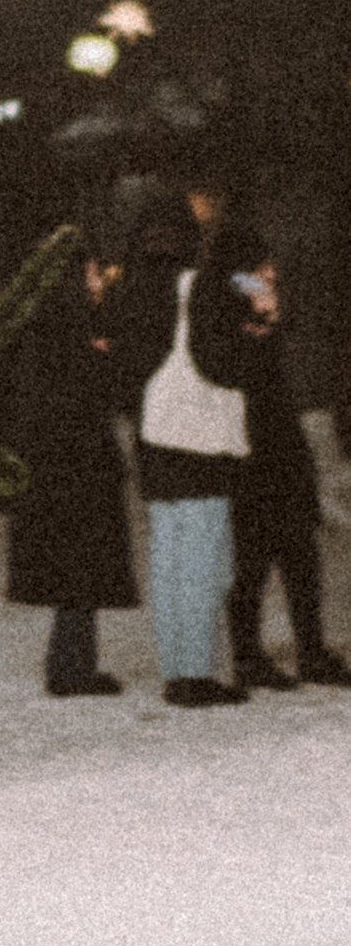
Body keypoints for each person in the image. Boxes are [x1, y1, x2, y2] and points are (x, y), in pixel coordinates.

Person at [106, 186, 257, 706]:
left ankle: (177, 665)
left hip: (153, 437)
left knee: (168, 554)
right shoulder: (200, 283)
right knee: (202, 553)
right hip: (197, 439)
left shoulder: (125, 288)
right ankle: (195, 672)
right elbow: (227, 345)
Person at [0, 247, 137, 694]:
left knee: (76, 574)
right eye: (93, 273)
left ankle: (71, 664)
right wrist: (103, 357)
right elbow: (91, 393)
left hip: (57, 466)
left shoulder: (46, 323)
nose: (99, 283)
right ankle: (72, 668)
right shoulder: (69, 328)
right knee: (81, 571)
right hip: (75, 468)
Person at [212, 224, 351, 688]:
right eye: (261, 267)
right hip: (251, 451)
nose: (269, 274)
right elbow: (231, 283)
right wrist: (259, 302)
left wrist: (267, 316)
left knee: (298, 557)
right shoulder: (228, 297)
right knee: (254, 561)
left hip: (280, 448)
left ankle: (307, 650)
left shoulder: (260, 313)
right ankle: (252, 655)